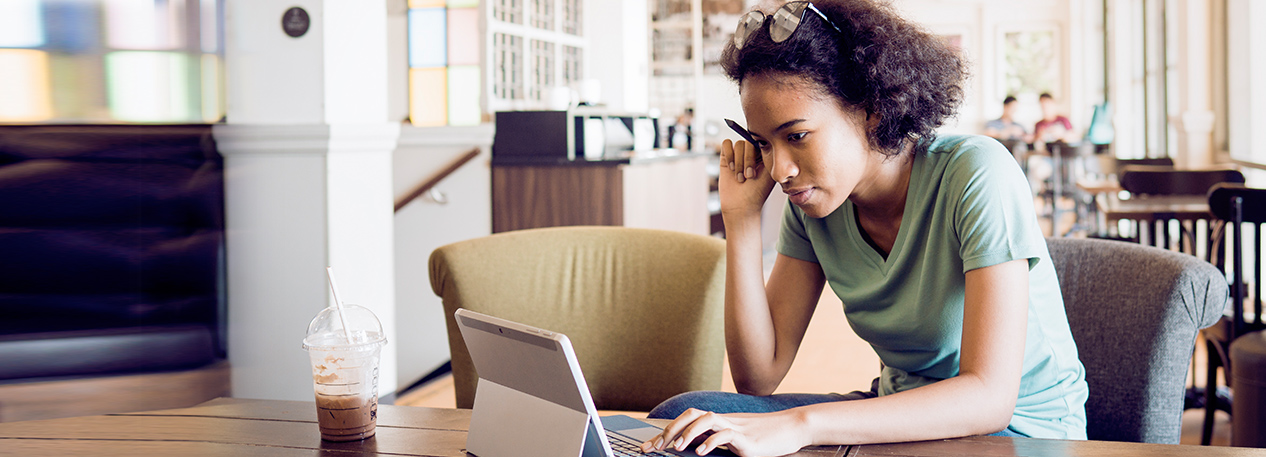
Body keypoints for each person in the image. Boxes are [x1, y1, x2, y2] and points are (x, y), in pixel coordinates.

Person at [639, 2, 1088, 456]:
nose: (779, 170)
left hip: (1023, 432)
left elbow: (989, 398)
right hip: (900, 414)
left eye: (795, 136)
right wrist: (742, 222)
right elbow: (759, 375)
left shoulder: (977, 174)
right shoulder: (814, 206)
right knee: (686, 420)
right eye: (763, 143)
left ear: (872, 109)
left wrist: (803, 425)